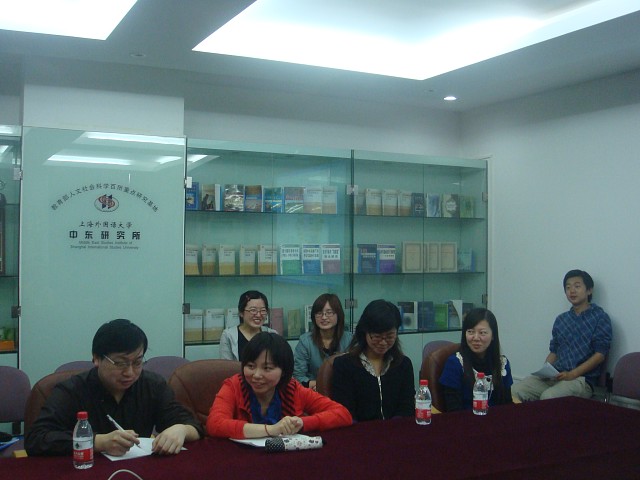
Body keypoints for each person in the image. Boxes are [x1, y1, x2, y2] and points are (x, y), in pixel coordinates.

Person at [25, 319, 203, 456]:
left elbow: (195, 426)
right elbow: (35, 439)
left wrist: (181, 429)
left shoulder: (152, 385)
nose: (130, 372)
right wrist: (98, 442)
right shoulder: (72, 390)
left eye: (138, 362)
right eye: (120, 363)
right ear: (96, 358)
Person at [207, 332, 352, 438]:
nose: (256, 375)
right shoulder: (233, 386)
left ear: (283, 371)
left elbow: (342, 414)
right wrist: (272, 430)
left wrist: (301, 423)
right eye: (250, 366)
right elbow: (214, 424)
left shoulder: (292, 389)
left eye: (267, 368)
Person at [512, 269, 612, 401]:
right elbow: (554, 351)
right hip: (556, 376)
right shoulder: (561, 319)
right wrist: (545, 371)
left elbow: (600, 355)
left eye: (577, 286)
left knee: (549, 397)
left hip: (582, 380)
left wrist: (572, 374)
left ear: (589, 290)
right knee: (514, 391)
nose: (572, 291)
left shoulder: (600, 317)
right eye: (568, 287)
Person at [331, 299, 415, 421]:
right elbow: (345, 413)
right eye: (377, 337)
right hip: (359, 431)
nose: (383, 342)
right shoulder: (344, 365)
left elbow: (406, 408)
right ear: (364, 332)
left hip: (396, 430)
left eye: (390, 336)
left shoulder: (403, 364)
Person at [439, 308, 513, 411]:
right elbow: (453, 411)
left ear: (493, 336)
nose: (476, 338)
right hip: (465, 420)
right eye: (470, 332)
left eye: (482, 333)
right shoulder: (455, 363)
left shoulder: (502, 364)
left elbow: (507, 405)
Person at [293, 293, 353, 390]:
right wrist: (319, 385)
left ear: (338, 315)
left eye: (329, 312)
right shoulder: (305, 342)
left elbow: (356, 373)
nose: (324, 317)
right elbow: (298, 376)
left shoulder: (350, 340)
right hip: (314, 393)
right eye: (319, 313)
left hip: (345, 391)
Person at [219, 290, 278, 361]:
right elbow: (227, 366)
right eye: (253, 310)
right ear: (241, 312)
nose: (258, 315)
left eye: (263, 310)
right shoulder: (228, 335)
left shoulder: (272, 335)